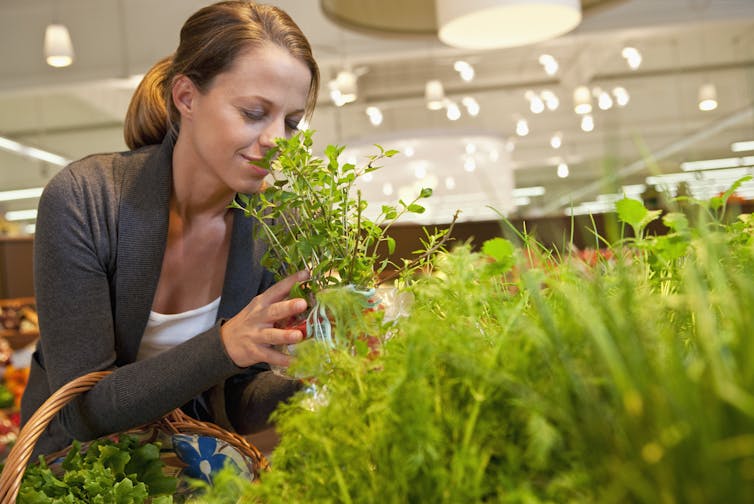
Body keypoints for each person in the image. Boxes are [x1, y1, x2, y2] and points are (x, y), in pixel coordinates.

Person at [20, 0, 320, 458]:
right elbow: (81, 413)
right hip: (73, 473)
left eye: (291, 122)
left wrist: (311, 370)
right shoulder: (86, 200)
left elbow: (234, 399)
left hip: (193, 471)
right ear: (186, 98)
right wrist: (225, 344)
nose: (277, 140)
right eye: (254, 113)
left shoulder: (277, 227)